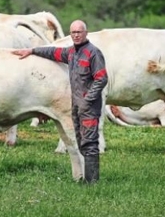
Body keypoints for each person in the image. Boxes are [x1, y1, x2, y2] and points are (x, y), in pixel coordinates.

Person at [12, 20, 108, 184]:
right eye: (73, 33)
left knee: (90, 143)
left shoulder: (93, 53)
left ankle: (93, 183)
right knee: (80, 141)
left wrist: (87, 100)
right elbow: (53, 52)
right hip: (76, 106)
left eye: (79, 32)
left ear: (86, 33)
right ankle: (86, 178)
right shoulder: (71, 52)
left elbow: (101, 79)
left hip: (89, 107)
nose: (76, 35)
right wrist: (32, 50)